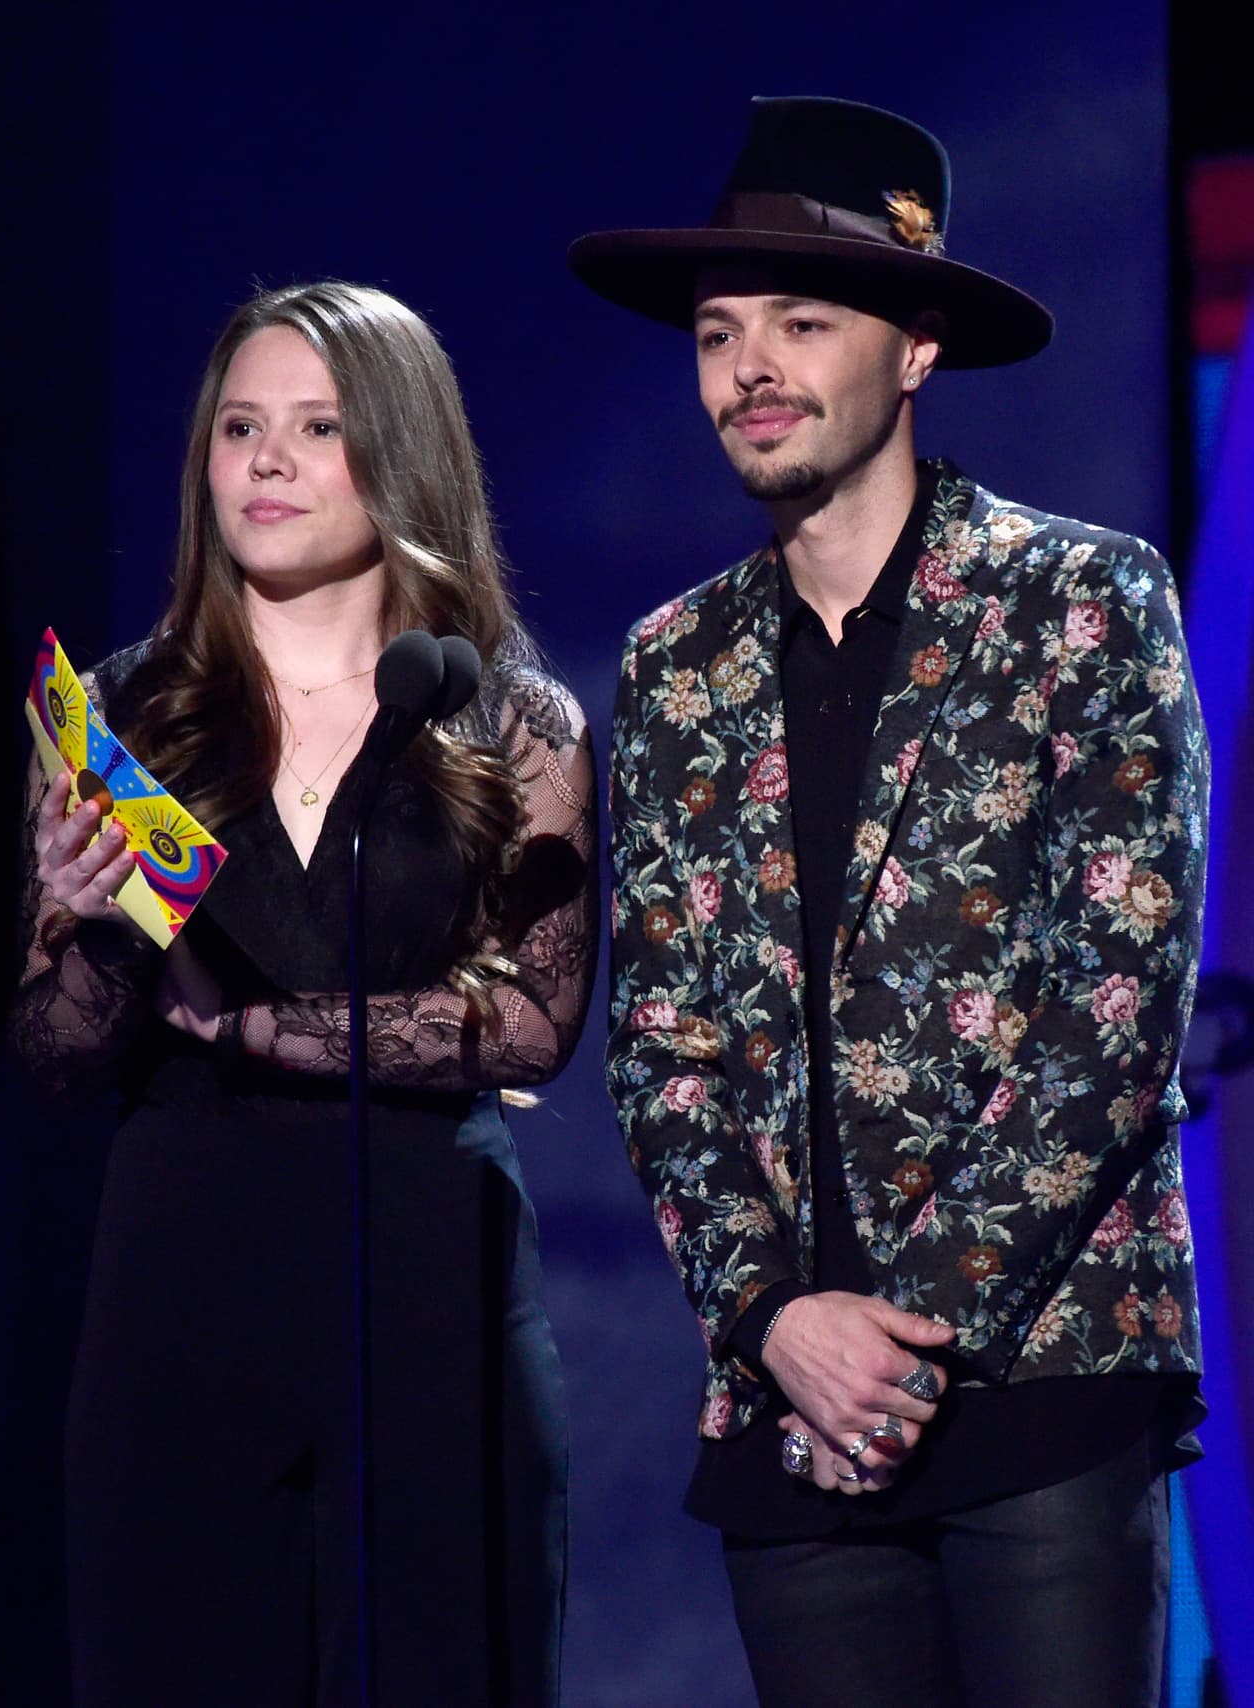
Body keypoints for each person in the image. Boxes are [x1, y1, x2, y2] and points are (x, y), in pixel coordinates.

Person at [574, 98, 1207, 1708]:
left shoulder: (1081, 598)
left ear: (917, 349)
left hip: (1041, 1375)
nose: (750, 367)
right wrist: (782, 1320)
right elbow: (659, 1041)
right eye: (719, 333)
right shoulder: (670, 665)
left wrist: (897, 1341)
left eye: (800, 318)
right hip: (792, 1405)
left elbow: (1119, 1004)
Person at [12, 281, 595, 1708]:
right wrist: (86, 930)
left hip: (429, 1287)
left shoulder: (507, 719)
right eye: (238, 427)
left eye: (317, 427)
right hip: (180, 1290)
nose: (263, 462)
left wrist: (264, 1025)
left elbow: (532, 1022)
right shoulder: (118, 715)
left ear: (399, 454)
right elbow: (55, 1053)